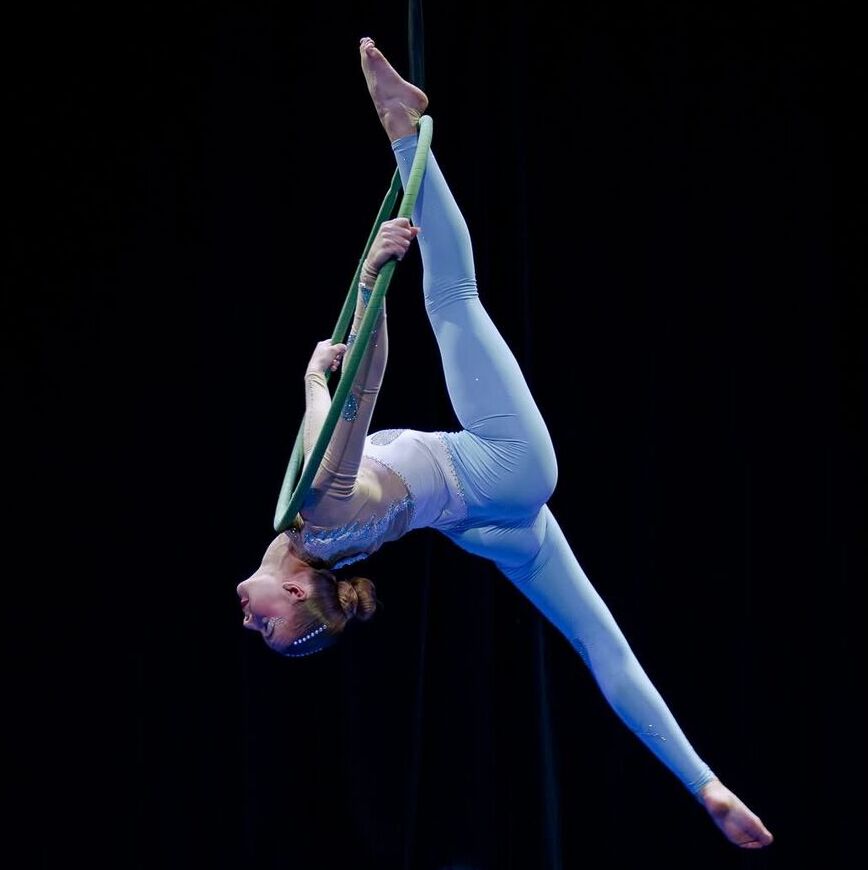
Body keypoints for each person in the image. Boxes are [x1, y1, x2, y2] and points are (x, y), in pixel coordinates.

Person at [237, 36, 774, 850]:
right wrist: (357, 305)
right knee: (452, 298)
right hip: (500, 472)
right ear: (296, 591)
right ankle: (403, 128)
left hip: (479, 524)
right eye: (269, 628)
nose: (250, 622)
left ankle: (706, 784)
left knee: (600, 642)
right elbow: (348, 402)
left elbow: (350, 397)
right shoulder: (318, 515)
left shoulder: (312, 529)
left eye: (261, 632)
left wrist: (355, 318)